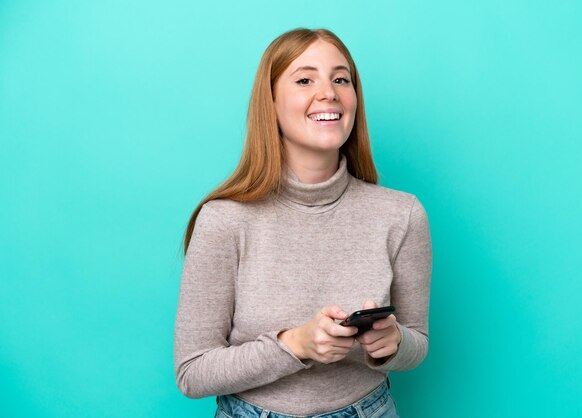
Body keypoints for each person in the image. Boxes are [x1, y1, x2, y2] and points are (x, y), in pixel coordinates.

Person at [174, 27, 432, 417]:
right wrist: (296, 345)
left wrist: (394, 343)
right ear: (271, 102)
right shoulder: (224, 220)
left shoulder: (402, 214)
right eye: (305, 79)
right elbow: (193, 373)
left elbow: (418, 345)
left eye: (341, 79)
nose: (328, 92)